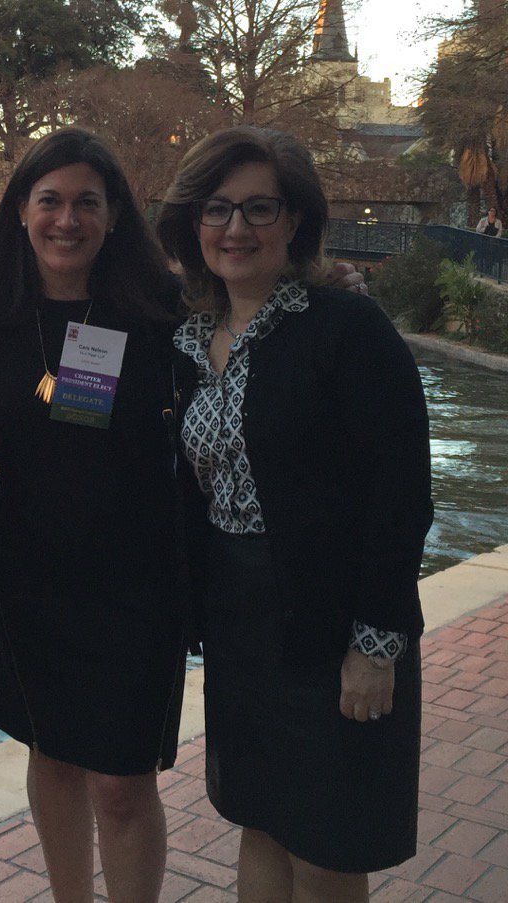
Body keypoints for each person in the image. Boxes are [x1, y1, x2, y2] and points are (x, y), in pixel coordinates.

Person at [157, 126, 432, 902]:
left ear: (296, 222)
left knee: (328, 842)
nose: (236, 229)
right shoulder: (187, 343)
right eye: (217, 209)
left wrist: (377, 642)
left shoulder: (345, 329)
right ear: (193, 223)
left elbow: (401, 492)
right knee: (261, 818)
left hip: (335, 622)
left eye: (259, 208)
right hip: (241, 626)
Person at [0, 128, 189, 903]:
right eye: (50, 201)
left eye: (86, 203)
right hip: (34, 578)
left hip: (140, 584)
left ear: (114, 214)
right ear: (22, 212)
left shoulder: (162, 313)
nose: (67, 219)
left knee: (123, 784)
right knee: (52, 756)